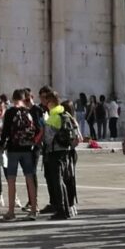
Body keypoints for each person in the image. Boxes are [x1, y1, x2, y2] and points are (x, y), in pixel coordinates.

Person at [1, 90, 41, 221]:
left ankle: (11, 211)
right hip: (27, 149)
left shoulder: (10, 112)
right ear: (24, 99)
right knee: (30, 178)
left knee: (11, 179)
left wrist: (1, 144)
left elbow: (5, 131)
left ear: (13, 99)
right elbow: (37, 129)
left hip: (13, 149)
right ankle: (34, 209)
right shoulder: (29, 111)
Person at [40, 88, 78, 219]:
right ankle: (66, 209)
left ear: (51, 102)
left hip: (55, 152)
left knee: (57, 181)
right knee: (62, 181)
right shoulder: (65, 114)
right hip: (65, 151)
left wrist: (44, 125)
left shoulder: (53, 116)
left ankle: (61, 210)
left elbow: (48, 138)